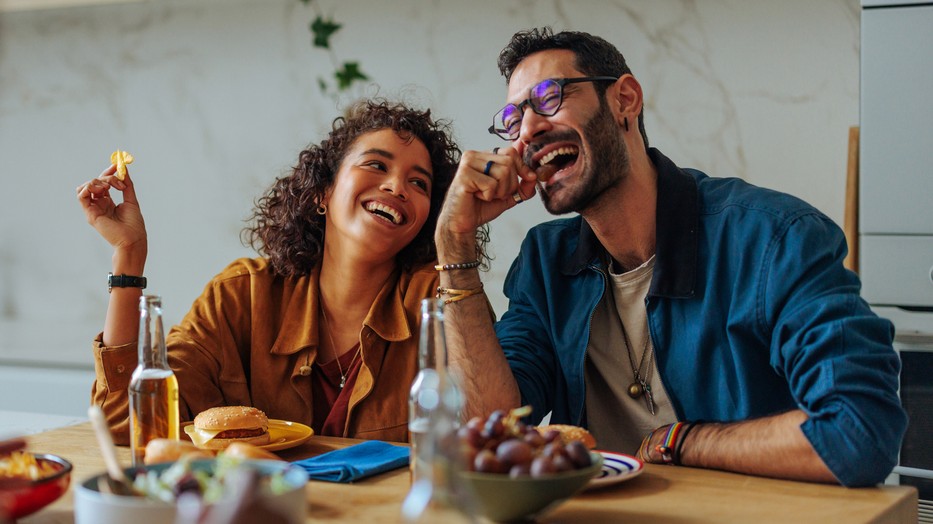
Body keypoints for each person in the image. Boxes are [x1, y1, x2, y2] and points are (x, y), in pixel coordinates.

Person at [437, 28, 906, 487]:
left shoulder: (773, 238)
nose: (530, 130)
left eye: (548, 97)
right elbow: (490, 427)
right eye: (514, 120)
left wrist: (682, 441)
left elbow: (858, 429)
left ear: (625, 100)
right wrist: (455, 240)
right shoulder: (545, 263)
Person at [77, 98, 472, 444]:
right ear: (323, 191)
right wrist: (129, 256)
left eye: (419, 182)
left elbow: (488, 428)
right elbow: (126, 422)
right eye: (376, 164)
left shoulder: (440, 302)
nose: (397, 186)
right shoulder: (241, 296)